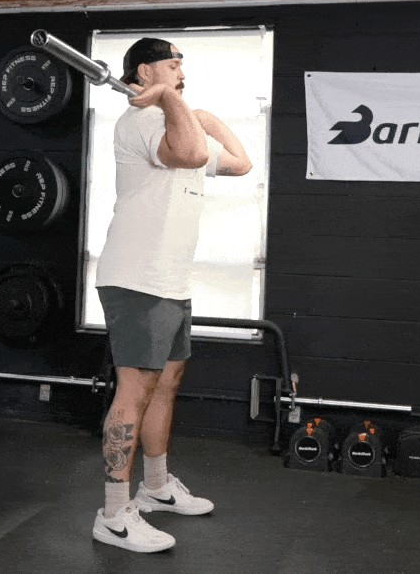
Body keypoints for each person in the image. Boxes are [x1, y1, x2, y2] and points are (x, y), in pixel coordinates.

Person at [91, 37, 253, 553]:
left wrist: (198, 112)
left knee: (165, 385)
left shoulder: (174, 121)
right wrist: (169, 101)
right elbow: (189, 151)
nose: (182, 71)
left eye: (183, 65)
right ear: (144, 72)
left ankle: (157, 488)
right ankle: (114, 515)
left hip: (171, 281)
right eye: (171, 65)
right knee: (134, 392)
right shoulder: (140, 123)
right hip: (137, 279)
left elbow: (241, 163)